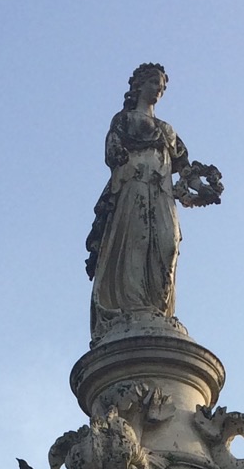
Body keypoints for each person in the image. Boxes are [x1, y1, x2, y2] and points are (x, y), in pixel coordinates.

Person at [86, 63, 220, 339]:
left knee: (167, 244)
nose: (159, 89)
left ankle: (158, 309)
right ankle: (135, 308)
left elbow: (183, 169)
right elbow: (113, 155)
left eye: (163, 86)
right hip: (134, 188)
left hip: (162, 193)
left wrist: (202, 188)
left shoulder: (168, 130)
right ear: (138, 86)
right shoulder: (123, 121)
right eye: (154, 83)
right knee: (138, 240)